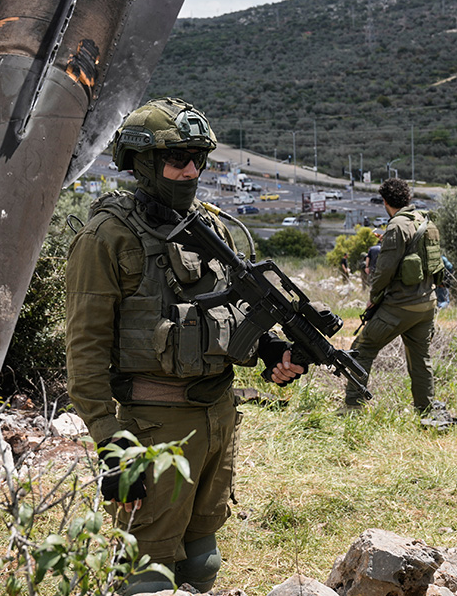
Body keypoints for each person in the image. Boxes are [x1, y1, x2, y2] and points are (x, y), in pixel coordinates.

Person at [64, 98, 305, 594]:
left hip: (218, 415)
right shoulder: (107, 236)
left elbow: (229, 308)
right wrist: (112, 445)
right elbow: (84, 350)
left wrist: (268, 350)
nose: (191, 169)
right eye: (178, 159)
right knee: (147, 573)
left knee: (202, 560)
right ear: (144, 164)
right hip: (153, 426)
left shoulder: (208, 227)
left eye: (198, 157)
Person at [342, 178, 446, 416]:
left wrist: (373, 297)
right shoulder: (425, 221)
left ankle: (352, 406)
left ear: (385, 202)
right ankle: (425, 407)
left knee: (363, 348)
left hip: (400, 305)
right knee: (421, 358)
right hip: (427, 304)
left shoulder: (397, 226)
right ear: (407, 198)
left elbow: (385, 270)